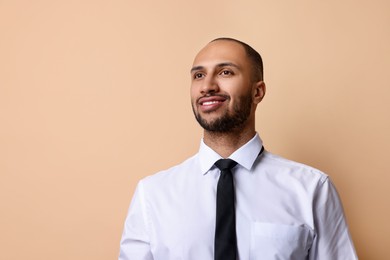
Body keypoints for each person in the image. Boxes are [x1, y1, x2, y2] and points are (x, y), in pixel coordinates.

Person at [118, 38, 358, 259]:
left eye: (225, 72)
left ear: (258, 91)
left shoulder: (312, 189)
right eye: (198, 75)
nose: (207, 86)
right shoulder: (152, 195)